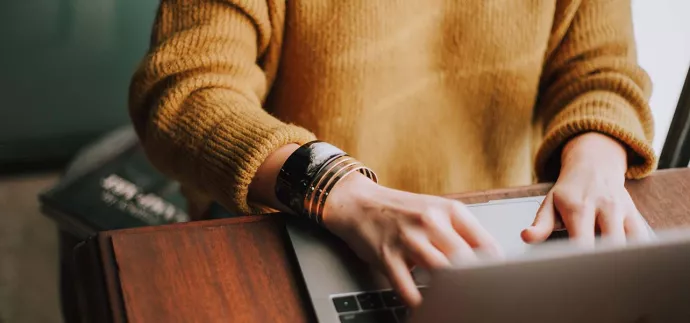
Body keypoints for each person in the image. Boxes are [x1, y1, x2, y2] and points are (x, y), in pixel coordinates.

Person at [129, 0, 656, 307]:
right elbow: (184, 91)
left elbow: (601, 71)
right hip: (298, 229)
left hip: (493, 240)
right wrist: (340, 189)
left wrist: (596, 159)